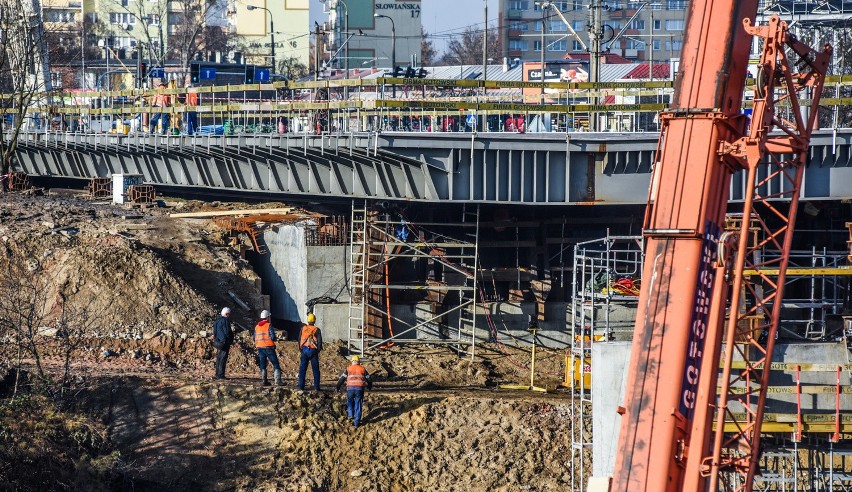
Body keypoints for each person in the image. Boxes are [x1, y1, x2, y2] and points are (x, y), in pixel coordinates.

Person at [336, 355, 372, 428]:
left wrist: (338, 387)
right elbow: (369, 378)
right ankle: (356, 422)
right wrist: (369, 386)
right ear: (359, 362)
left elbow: (342, 378)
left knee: (350, 401)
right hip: (360, 389)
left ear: (352, 361)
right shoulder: (362, 369)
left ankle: (351, 414)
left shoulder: (348, 369)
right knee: (358, 404)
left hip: (350, 389)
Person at [254, 309, 282, 386]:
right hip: (268, 347)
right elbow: (272, 337)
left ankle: (264, 381)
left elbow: (254, 337)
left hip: (260, 347)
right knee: (275, 364)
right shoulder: (269, 325)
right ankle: (277, 381)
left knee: (263, 364)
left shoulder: (257, 327)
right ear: (267, 317)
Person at [297, 312, 323, 391]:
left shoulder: (303, 328)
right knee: (315, 370)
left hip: (304, 350)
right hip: (313, 350)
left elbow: (299, 339)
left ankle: (301, 386)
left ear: (308, 321)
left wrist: (301, 349)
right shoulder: (317, 329)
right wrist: (317, 350)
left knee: (302, 370)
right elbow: (319, 342)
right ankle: (316, 387)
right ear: (314, 321)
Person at [212, 307, 234, 380]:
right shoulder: (225, 320)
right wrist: (230, 339)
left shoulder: (217, 321)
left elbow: (214, 332)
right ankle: (221, 375)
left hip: (218, 342)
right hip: (224, 342)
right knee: (223, 358)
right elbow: (227, 331)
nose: (229, 316)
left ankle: (217, 374)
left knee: (219, 358)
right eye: (229, 314)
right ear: (227, 314)